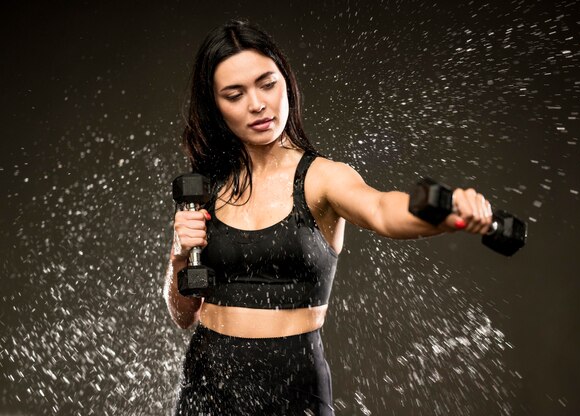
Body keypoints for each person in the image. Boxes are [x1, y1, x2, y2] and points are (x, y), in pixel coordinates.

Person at [163, 20, 493, 415]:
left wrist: (452, 215)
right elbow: (184, 315)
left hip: (292, 387)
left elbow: (384, 211)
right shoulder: (206, 188)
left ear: (286, 82)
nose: (257, 104)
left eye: (267, 84)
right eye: (235, 95)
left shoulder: (323, 178)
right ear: (215, 106)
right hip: (206, 383)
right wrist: (179, 257)